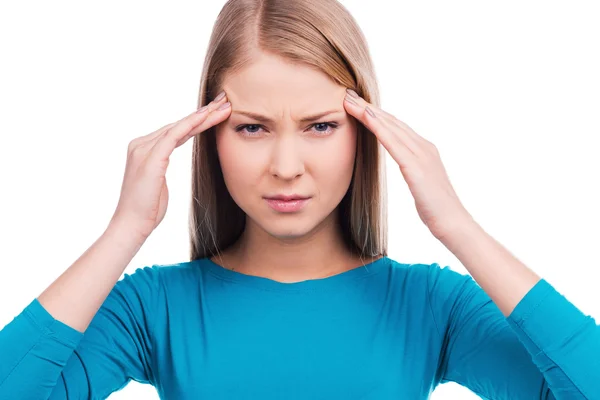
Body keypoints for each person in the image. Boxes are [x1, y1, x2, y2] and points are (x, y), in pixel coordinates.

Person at [0, 0, 598, 399]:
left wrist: (459, 226)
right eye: (252, 128)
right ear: (208, 136)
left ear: (366, 130)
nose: (287, 168)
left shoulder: (431, 305)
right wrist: (124, 231)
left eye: (320, 126)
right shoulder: (153, 307)